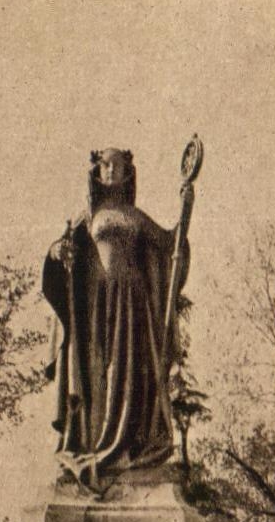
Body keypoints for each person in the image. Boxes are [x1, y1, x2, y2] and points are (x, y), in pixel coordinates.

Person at [42, 148, 188, 485]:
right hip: (97, 304)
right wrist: (56, 251)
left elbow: (169, 243)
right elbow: (61, 248)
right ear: (97, 171)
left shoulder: (135, 216)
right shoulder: (88, 216)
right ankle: (92, 442)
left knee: (129, 371)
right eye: (105, 165)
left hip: (132, 302)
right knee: (96, 372)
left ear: (127, 172)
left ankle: (125, 443)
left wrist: (186, 205)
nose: (110, 171)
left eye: (117, 166)